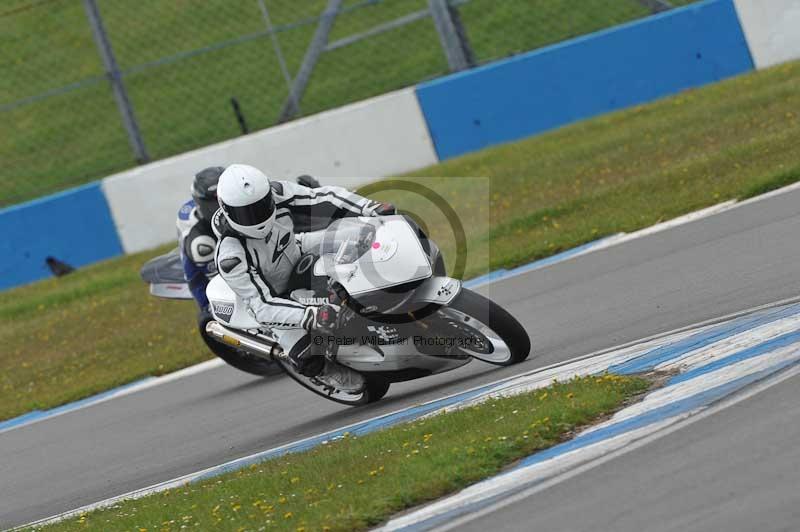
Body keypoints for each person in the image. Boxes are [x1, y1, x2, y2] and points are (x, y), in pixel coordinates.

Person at [213, 164, 394, 384]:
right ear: (226, 209)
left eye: (261, 207)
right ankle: (335, 377)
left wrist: (369, 207)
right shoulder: (230, 256)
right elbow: (261, 306)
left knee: (365, 230)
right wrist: (310, 315)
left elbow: (323, 196)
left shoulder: (279, 192)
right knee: (306, 356)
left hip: (299, 249)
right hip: (279, 297)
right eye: (245, 214)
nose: (255, 217)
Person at [177, 166, 281, 376]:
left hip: (231, 233)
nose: (219, 206)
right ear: (202, 205)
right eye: (213, 204)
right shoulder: (201, 243)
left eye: (221, 200)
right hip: (204, 260)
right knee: (210, 303)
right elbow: (226, 280)